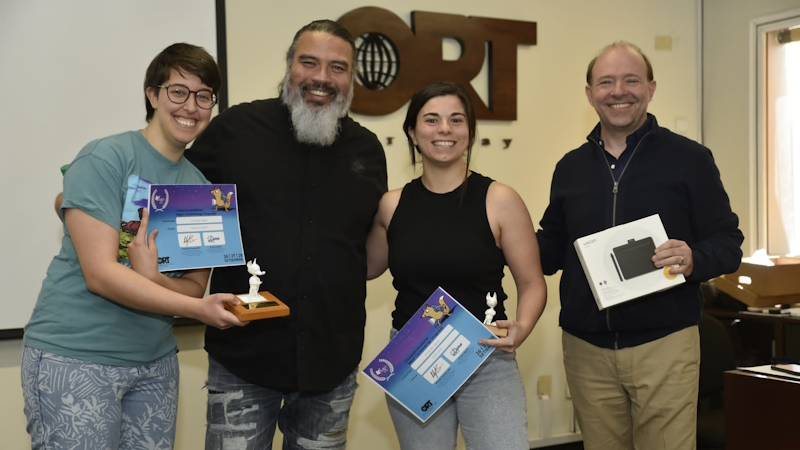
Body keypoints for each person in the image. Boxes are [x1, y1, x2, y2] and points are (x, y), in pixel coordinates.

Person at [22, 43, 245, 449]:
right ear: (153, 94)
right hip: (75, 356)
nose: (190, 106)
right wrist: (197, 310)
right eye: (178, 91)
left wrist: (154, 276)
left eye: (203, 96)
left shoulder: (203, 192)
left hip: (155, 364)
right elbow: (101, 274)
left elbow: (194, 288)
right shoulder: (106, 157)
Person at [185, 20, 387, 449]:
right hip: (242, 357)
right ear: (289, 66)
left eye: (337, 68)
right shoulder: (234, 130)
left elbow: (365, 249)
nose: (321, 78)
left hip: (332, 364)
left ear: (351, 78)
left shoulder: (369, 150)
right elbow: (175, 194)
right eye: (308, 62)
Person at [536, 41, 744, 450]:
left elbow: (729, 243)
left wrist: (693, 257)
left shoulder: (691, 159)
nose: (618, 91)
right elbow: (550, 250)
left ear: (650, 88)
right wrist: (499, 232)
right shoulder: (570, 168)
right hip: (586, 348)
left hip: (664, 344)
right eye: (606, 82)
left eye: (631, 80)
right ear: (589, 93)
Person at [365, 82, 547, 449]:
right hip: (412, 358)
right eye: (431, 120)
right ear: (413, 133)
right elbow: (364, 267)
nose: (444, 129)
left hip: (485, 356)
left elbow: (532, 283)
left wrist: (522, 328)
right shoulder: (391, 205)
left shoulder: (500, 200)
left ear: (469, 132)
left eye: (456, 120)